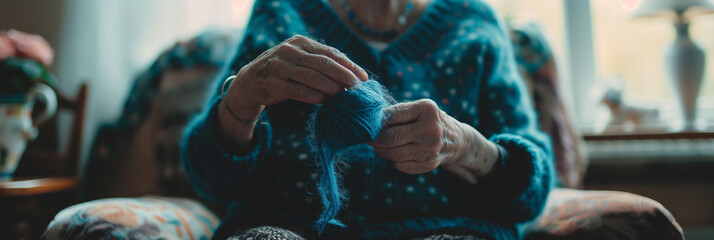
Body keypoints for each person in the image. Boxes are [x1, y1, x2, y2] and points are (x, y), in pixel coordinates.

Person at [181, 0, 554, 239]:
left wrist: (465, 145)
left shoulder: (474, 22)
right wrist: (242, 96)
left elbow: (532, 192)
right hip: (286, 227)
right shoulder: (280, 11)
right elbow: (209, 178)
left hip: (449, 229)